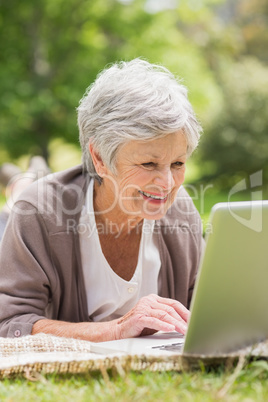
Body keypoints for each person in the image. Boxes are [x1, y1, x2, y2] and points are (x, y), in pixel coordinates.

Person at [0, 59, 204, 341]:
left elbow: (206, 308)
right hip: (27, 211)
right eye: (148, 164)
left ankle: (27, 177)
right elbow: (10, 323)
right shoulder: (37, 210)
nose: (168, 184)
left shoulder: (181, 210)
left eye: (178, 163)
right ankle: (24, 181)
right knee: (17, 204)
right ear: (99, 158)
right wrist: (117, 329)